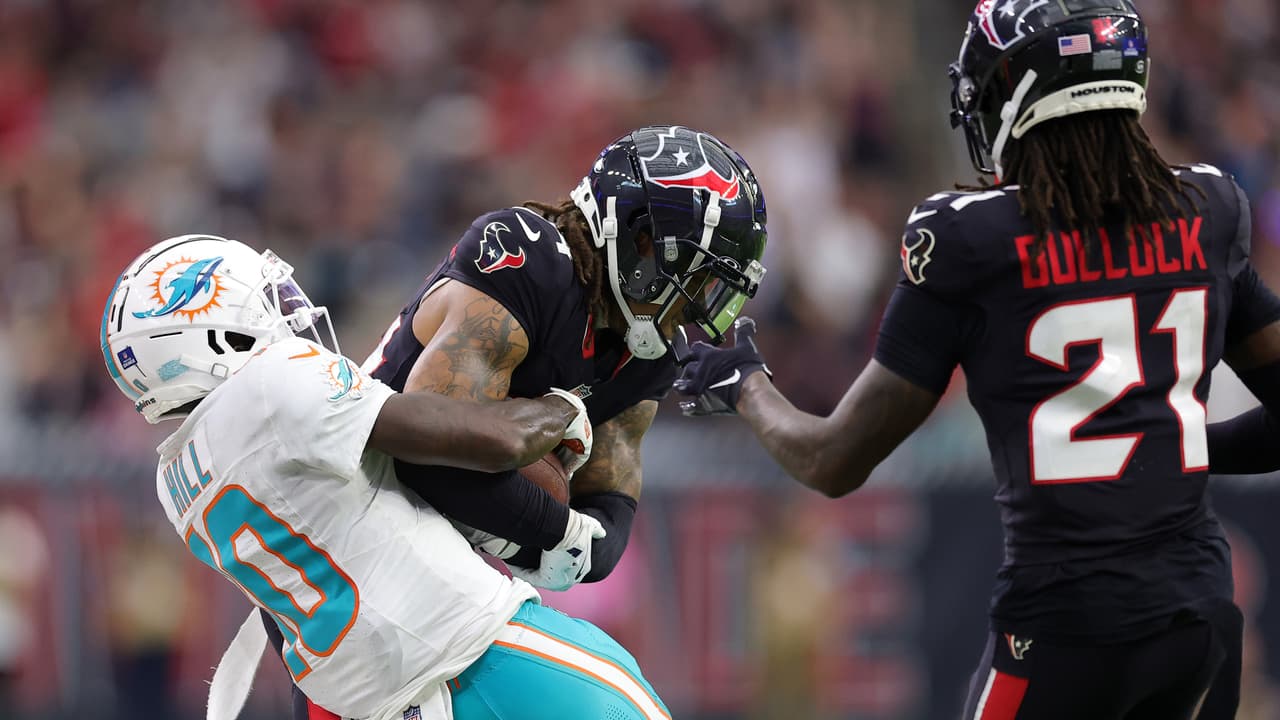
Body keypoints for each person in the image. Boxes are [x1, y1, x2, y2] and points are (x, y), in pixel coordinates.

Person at [673, 2, 1280, 718]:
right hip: (1198, 618)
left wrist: (745, 386)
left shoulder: (969, 239)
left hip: (1065, 631)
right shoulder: (1208, 208)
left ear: (1019, 100)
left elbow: (832, 460)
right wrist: (1166, 448)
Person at [100, 234, 671, 720]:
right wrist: (563, 409)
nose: (287, 306)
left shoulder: (175, 476)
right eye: (266, 297)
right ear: (213, 328)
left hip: (364, 700)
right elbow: (479, 438)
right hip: (472, 648)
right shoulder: (273, 383)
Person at [361, 124, 767, 578]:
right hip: (353, 505)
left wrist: (545, 536)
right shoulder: (524, 255)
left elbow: (605, 537)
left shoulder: (648, 356)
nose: (696, 308)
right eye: (698, 278)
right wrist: (556, 526)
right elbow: (425, 453)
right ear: (643, 246)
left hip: (431, 558)